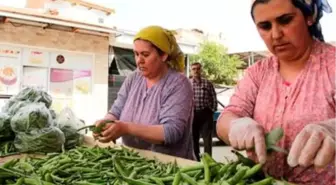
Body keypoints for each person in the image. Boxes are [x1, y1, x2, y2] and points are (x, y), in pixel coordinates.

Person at [216, 0, 336, 184]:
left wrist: (332, 129)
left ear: (309, 17)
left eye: (286, 20)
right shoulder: (258, 73)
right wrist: (235, 125)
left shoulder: (332, 65)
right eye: (265, 26)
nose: (276, 34)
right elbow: (227, 117)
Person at [94, 25, 195, 160]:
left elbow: (171, 132)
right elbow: (116, 110)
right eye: (136, 54)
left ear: (164, 55)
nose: (139, 60)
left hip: (169, 166)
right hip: (132, 161)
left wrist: (126, 128)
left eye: (145, 54)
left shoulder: (178, 84)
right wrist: (105, 122)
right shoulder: (133, 78)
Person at [190, 62, 217, 161]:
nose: (196, 71)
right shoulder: (188, 83)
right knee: (194, 138)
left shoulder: (207, 83)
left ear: (201, 70)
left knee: (207, 140)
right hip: (193, 114)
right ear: (191, 71)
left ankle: (208, 160)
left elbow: (213, 97)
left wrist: (212, 110)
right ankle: (196, 160)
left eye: (198, 69)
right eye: (194, 69)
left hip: (205, 114)